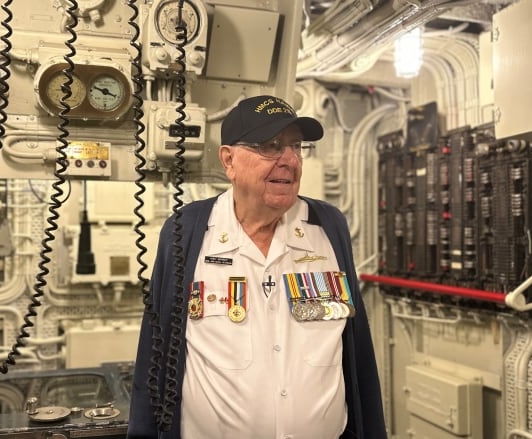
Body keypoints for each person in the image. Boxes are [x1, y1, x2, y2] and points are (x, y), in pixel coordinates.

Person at [127, 95, 387, 439]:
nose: (290, 159)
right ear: (229, 160)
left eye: (296, 146)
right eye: (270, 146)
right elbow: (155, 355)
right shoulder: (187, 230)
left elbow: (357, 353)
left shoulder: (328, 226)